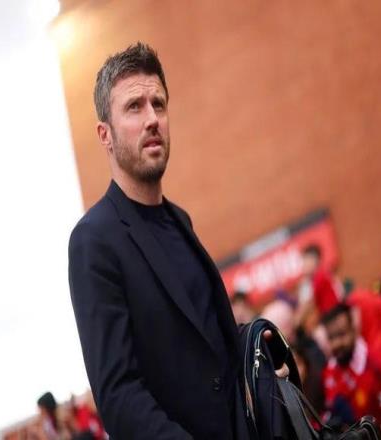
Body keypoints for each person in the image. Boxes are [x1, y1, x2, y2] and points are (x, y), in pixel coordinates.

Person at [68, 42, 286, 440]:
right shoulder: (94, 241)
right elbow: (118, 397)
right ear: (105, 135)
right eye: (134, 107)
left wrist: (259, 362)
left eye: (159, 104)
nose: (152, 119)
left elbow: (204, 349)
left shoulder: (180, 220)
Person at [321, 303, 381, 437]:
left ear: (354, 330)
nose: (336, 343)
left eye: (342, 334)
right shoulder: (329, 370)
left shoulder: (376, 367)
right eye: (331, 338)